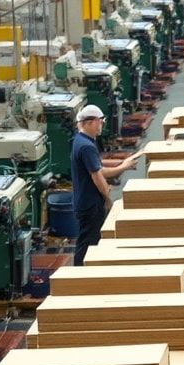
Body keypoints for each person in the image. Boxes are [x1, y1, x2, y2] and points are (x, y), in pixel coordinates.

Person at [71, 104, 139, 266]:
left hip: (83, 200)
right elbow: (98, 175)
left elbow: (97, 165)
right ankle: (80, 274)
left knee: (88, 239)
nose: (102, 125)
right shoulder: (87, 146)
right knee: (89, 242)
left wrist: (122, 162)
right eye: (100, 122)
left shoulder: (80, 140)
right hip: (91, 203)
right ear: (90, 122)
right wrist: (108, 198)